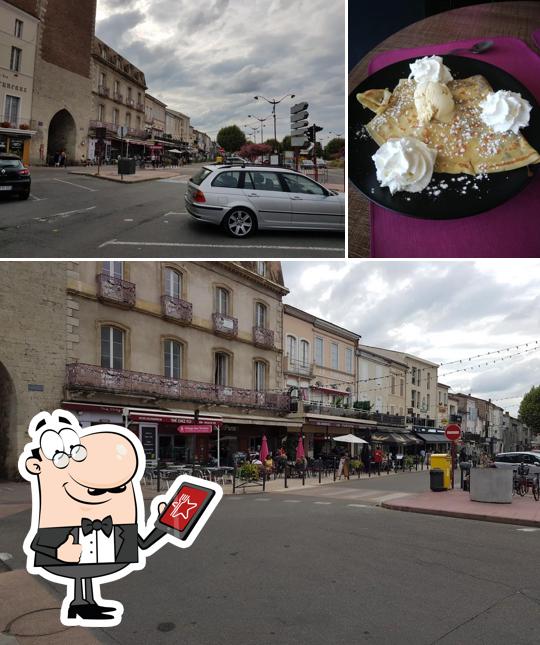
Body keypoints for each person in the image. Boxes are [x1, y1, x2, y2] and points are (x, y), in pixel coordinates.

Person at [19, 409, 221, 628]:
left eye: (118, 489)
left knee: (85, 575)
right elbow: (36, 545)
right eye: (96, 490)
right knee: (80, 573)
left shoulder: (119, 528)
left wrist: (165, 523)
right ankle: (80, 602)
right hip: (67, 560)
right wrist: (58, 552)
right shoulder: (58, 523)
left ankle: (86, 602)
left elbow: (142, 544)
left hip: (102, 554)